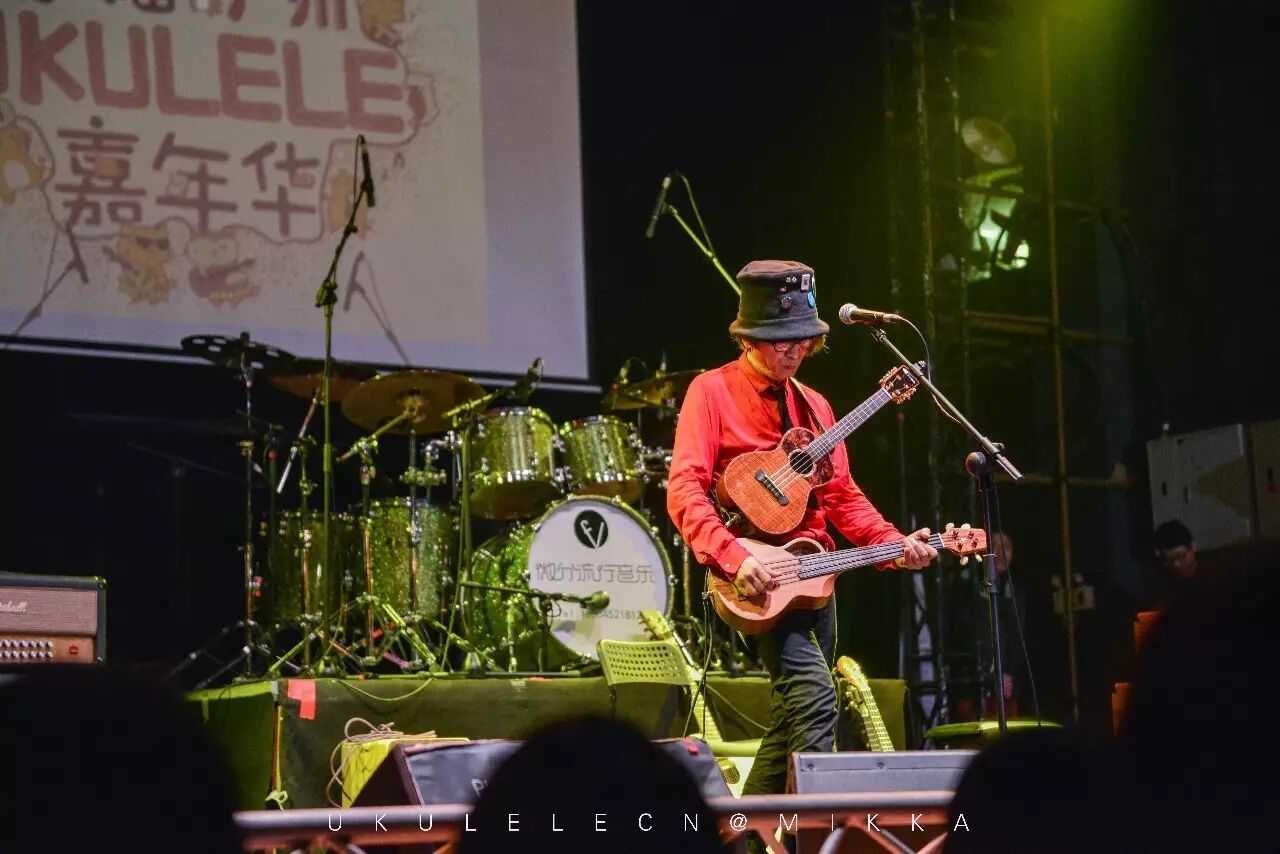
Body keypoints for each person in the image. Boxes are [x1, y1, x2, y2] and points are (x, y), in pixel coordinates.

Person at [666, 260, 936, 814]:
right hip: (756, 576)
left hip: (816, 575)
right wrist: (733, 555)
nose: (794, 350)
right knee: (816, 698)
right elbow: (685, 488)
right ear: (749, 338)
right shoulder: (710, 392)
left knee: (791, 717)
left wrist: (895, 544)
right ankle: (808, 834)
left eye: (803, 340)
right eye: (780, 340)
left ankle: (743, 836)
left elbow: (842, 496)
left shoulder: (817, 406)